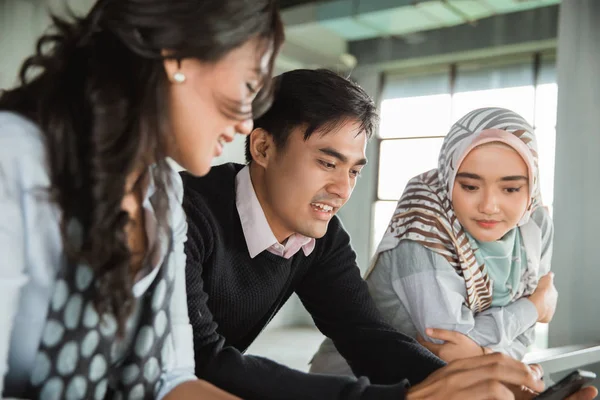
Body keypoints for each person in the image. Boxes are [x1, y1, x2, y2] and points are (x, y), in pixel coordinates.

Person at [180, 71, 573, 400]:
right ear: (263, 147)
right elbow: (202, 361)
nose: (342, 189)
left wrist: (471, 387)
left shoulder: (322, 238)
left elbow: (365, 335)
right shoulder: (184, 215)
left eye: (353, 171)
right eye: (327, 162)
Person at [0, 0, 283, 398]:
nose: (246, 123)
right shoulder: (14, 157)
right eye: (249, 86)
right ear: (178, 54)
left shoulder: (163, 191)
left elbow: (171, 379)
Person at [311, 107, 560, 378]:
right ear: (449, 178)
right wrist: (533, 307)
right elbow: (444, 345)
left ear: (531, 185)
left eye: (510, 189)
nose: (489, 206)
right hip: (358, 384)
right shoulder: (423, 227)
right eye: (470, 187)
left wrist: (483, 356)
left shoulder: (535, 224)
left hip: (451, 383)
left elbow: (518, 340)